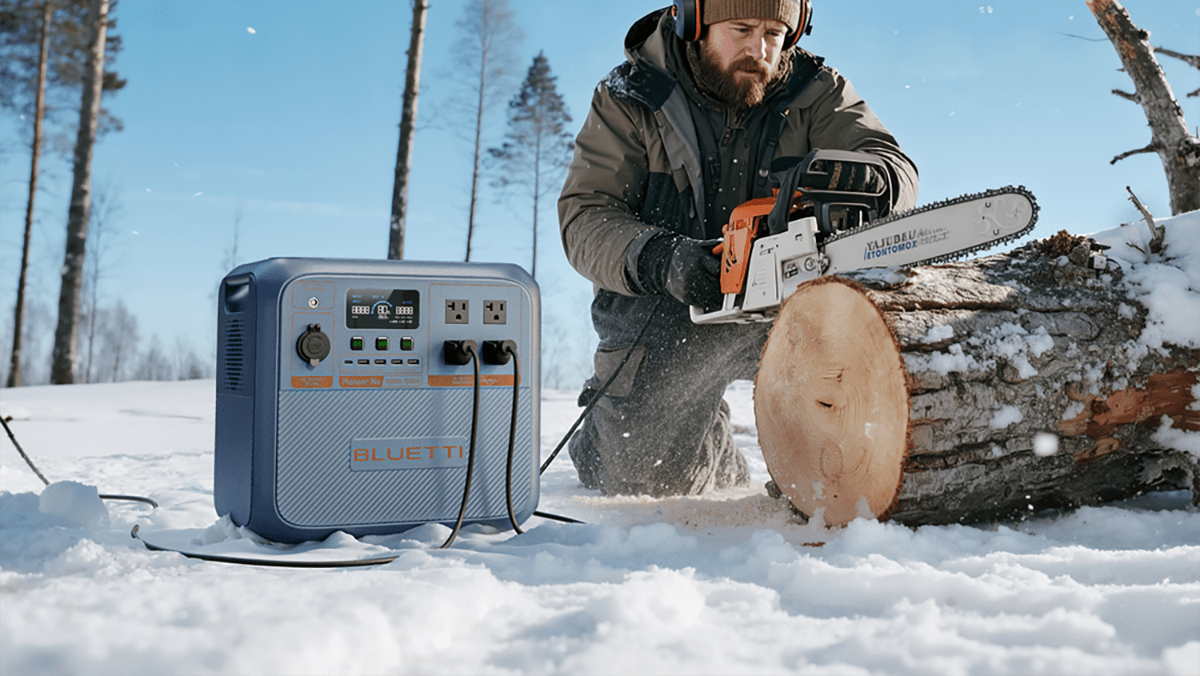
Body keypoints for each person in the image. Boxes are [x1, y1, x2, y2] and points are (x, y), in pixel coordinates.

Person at [557, 0, 919, 496]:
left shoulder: (816, 90)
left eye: (773, 33)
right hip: (669, 304)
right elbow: (585, 215)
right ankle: (651, 434)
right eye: (742, 28)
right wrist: (660, 258)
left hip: (791, 298)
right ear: (695, 23)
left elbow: (891, 161)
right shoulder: (632, 94)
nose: (758, 49)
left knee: (852, 431)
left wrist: (879, 181)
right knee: (641, 475)